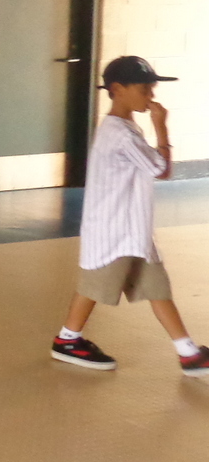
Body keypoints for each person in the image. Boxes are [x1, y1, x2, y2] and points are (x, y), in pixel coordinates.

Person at [50, 55, 209, 376]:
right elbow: (161, 169)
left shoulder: (125, 128)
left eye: (152, 87)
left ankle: (188, 353)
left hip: (132, 230)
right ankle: (67, 340)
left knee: (156, 287)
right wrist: (161, 128)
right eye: (145, 88)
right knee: (94, 285)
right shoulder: (120, 133)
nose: (151, 95)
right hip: (113, 231)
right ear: (118, 89)